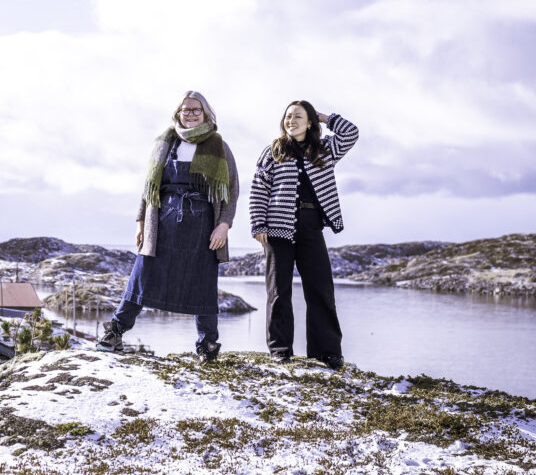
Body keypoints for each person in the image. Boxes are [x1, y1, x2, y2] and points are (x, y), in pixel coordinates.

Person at [98, 91, 239, 364]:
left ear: (206, 113)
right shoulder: (165, 142)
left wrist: (224, 225)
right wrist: (140, 223)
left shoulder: (217, 144)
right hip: (161, 222)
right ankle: (114, 333)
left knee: (203, 283)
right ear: (178, 113)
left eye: (196, 110)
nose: (190, 114)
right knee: (142, 276)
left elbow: (230, 190)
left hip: (202, 225)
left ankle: (207, 345)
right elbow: (148, 187)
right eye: (185, 110)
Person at [249, 100, 358, 370]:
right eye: (288, 116)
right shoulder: (273, 151)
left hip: (311, 226)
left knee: (321, 289)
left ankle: (326, 352)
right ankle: (280, 350)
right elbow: (259, 188)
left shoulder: (324, 149)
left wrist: (323, 116)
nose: (291, 120)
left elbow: (351, 133)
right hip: (277, 227)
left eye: (298, 116)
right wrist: (258, 224)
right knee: (278, 291)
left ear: (309, 122)